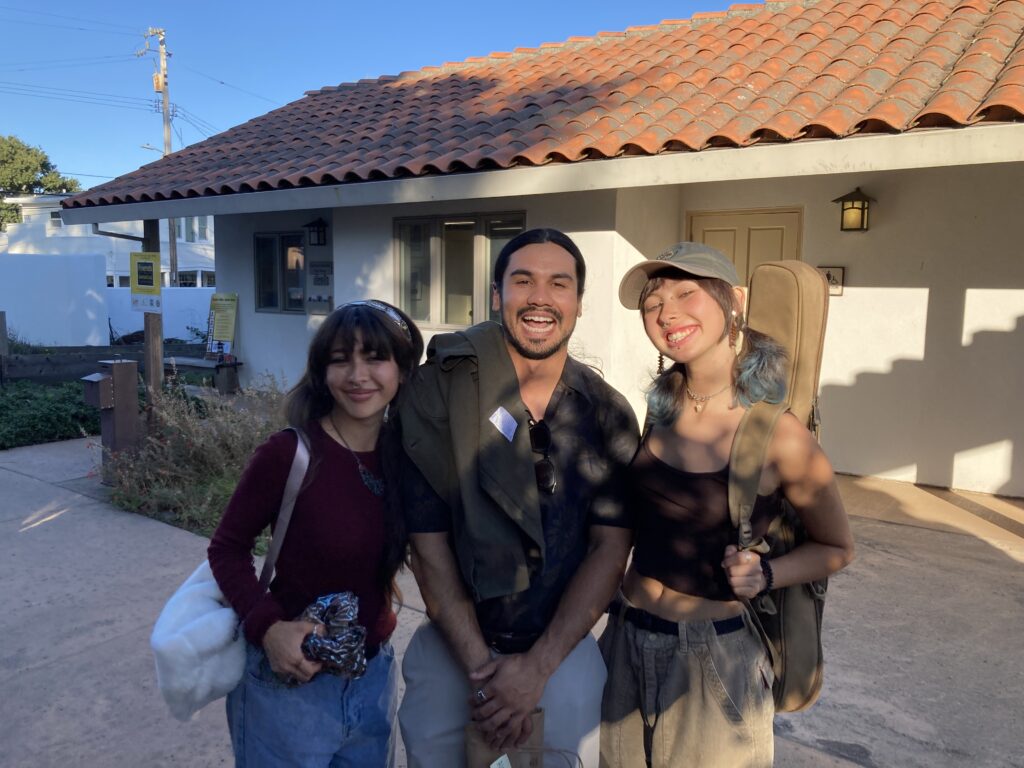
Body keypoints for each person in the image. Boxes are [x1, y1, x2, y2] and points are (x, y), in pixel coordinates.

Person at [601, 243, 855, 768]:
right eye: (653, 303)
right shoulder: (660, 411)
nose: (666, 312)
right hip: (623, 642)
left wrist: (766, 571)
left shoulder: (779, 434)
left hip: (713, 660)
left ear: (733, 302)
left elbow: (837, 547)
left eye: (686, 293)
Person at [398, 228, 640, 767]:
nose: (540, 297)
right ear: (496, 296)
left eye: (560, 283)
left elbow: (610, 549)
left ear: (578, 302)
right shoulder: (438, 392)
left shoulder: (606, 413)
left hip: (561, 653)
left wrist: (536, 668)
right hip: (454, 648)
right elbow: (428, 546)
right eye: (522, 280)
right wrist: (484, 673)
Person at [208, 299, 423, 767]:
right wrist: (267, 629)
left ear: (403, 371)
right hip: (287, 686)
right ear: (322, 371)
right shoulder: (290, 454)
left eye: (375, 358)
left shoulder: (406, 459)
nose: (357, 374)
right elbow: (227, 548)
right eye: (341, 359)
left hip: (372, 680)